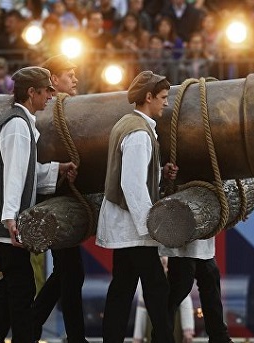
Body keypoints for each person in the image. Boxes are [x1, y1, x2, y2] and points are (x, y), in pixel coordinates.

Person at [0, 66, 78, 343]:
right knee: (23, 289)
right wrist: (11, 221)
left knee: (10, 291)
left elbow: (25, 172)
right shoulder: (17, 126)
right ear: (32, 92)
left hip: (5, 222)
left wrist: (57, 170)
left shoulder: (21, 123)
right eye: (47, 91)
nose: (51, 96)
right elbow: (14, 177)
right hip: (6, 225)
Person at [96, 70, 177, 343]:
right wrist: (149, 227)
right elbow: (132, 185)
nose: (167, 102)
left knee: (123, 287)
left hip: (126, 226)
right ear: (149, 97)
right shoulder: (139, 134)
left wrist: (159, 173)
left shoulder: (127, 124)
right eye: (163, 97)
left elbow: (136, 177)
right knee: (157, 288)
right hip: (133, 229)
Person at [32, 54, 87, 343]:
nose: (75, 79)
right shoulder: (46, 114)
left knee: (67, 273)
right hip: (54, 200)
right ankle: (75, 337)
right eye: (69, 74)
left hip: (61, 196)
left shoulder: (63, 110)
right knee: (71, 272)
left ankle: (32, 326)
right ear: (53, 80)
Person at [161, 237, 233, 343]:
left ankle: (220, 338)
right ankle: (161, 337)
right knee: (176, 293)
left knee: (212, 292)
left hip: (205, 247)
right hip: (181, 247)